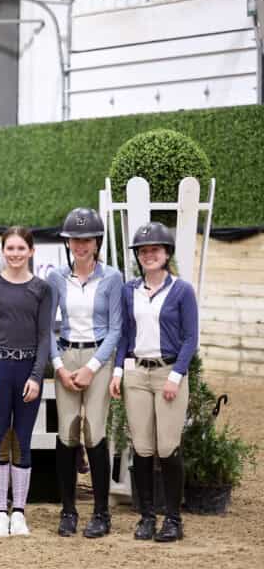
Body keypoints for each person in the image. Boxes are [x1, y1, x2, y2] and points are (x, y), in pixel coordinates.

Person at [111, 222, 198, 543]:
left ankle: (173, 519)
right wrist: (118, 372)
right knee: (142, 447)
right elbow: (124, 335)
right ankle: (147, 516)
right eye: (144, 251)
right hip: (136, 373)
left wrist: (176, 375)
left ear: (166, 254)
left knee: (167, 447)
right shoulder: (128, 289)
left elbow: (191, 338)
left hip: (168, 372)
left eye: (155, 250)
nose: (149, 255)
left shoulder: (182, 290)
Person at [47, 207, 123, 538]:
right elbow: (46, 326)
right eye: (74, 240)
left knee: (94, 431)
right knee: (67, 433)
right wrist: (59, 366)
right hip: (66, 353)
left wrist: (93, 368)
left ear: (97, 242)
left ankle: (101, 512)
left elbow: (117, 329)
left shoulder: (112, 278)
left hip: (98, 356)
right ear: (68, 243)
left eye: (86, 240)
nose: (80, 245)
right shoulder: (55, 278)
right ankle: (68, 510)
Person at [0, 227, 53, 537]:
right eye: (10, 248)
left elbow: (45, 335)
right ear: (3, 251)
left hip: (27, 369)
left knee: (21, 438)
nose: (16, 254)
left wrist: (37, 375)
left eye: (22, 248)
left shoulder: (41, 289)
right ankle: (0, 512)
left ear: (31, 252)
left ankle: (19, 510)